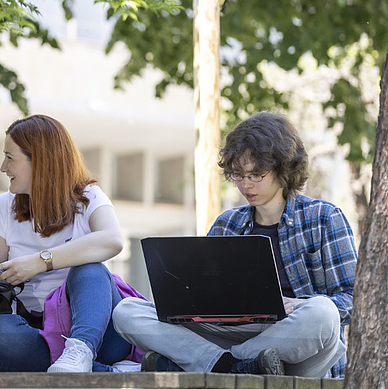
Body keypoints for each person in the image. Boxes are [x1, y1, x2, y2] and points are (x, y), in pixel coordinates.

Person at [112, 111, 356, 378]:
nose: (245, 185)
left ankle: (220, 364)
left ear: (283, 168)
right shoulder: (227, 224)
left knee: (323, 313)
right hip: (228, 333)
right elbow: (201, 296)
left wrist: (299, 304)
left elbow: (353, 300)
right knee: (127, 311)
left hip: (293, 343)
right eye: (238, 175)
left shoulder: (324, 218)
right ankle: (230, 364)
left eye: (256, 175)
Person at [0, 114, 133, 373]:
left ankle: (81, 350)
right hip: (39, 333)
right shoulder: (2, 208)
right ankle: (104, 373)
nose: (3, 167)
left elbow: (112, 240)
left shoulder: (89, 197)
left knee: (90, 270)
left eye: (10, 157)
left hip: (100, 331)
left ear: (40, 161)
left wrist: (40, 262)